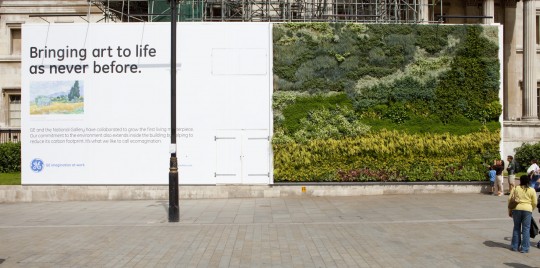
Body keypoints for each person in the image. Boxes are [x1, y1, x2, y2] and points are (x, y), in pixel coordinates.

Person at [508, 175, 538, 253]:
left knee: (516, 228)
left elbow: (509, 199)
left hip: (516, 209)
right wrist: (531, 209)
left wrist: (510, 210)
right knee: (526, 229)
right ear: (529, 181)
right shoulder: (532, 190)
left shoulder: (516, 188)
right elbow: (534, 202)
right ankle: (524, 248)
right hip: (527, 210)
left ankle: (515, 246)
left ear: (520, 181)